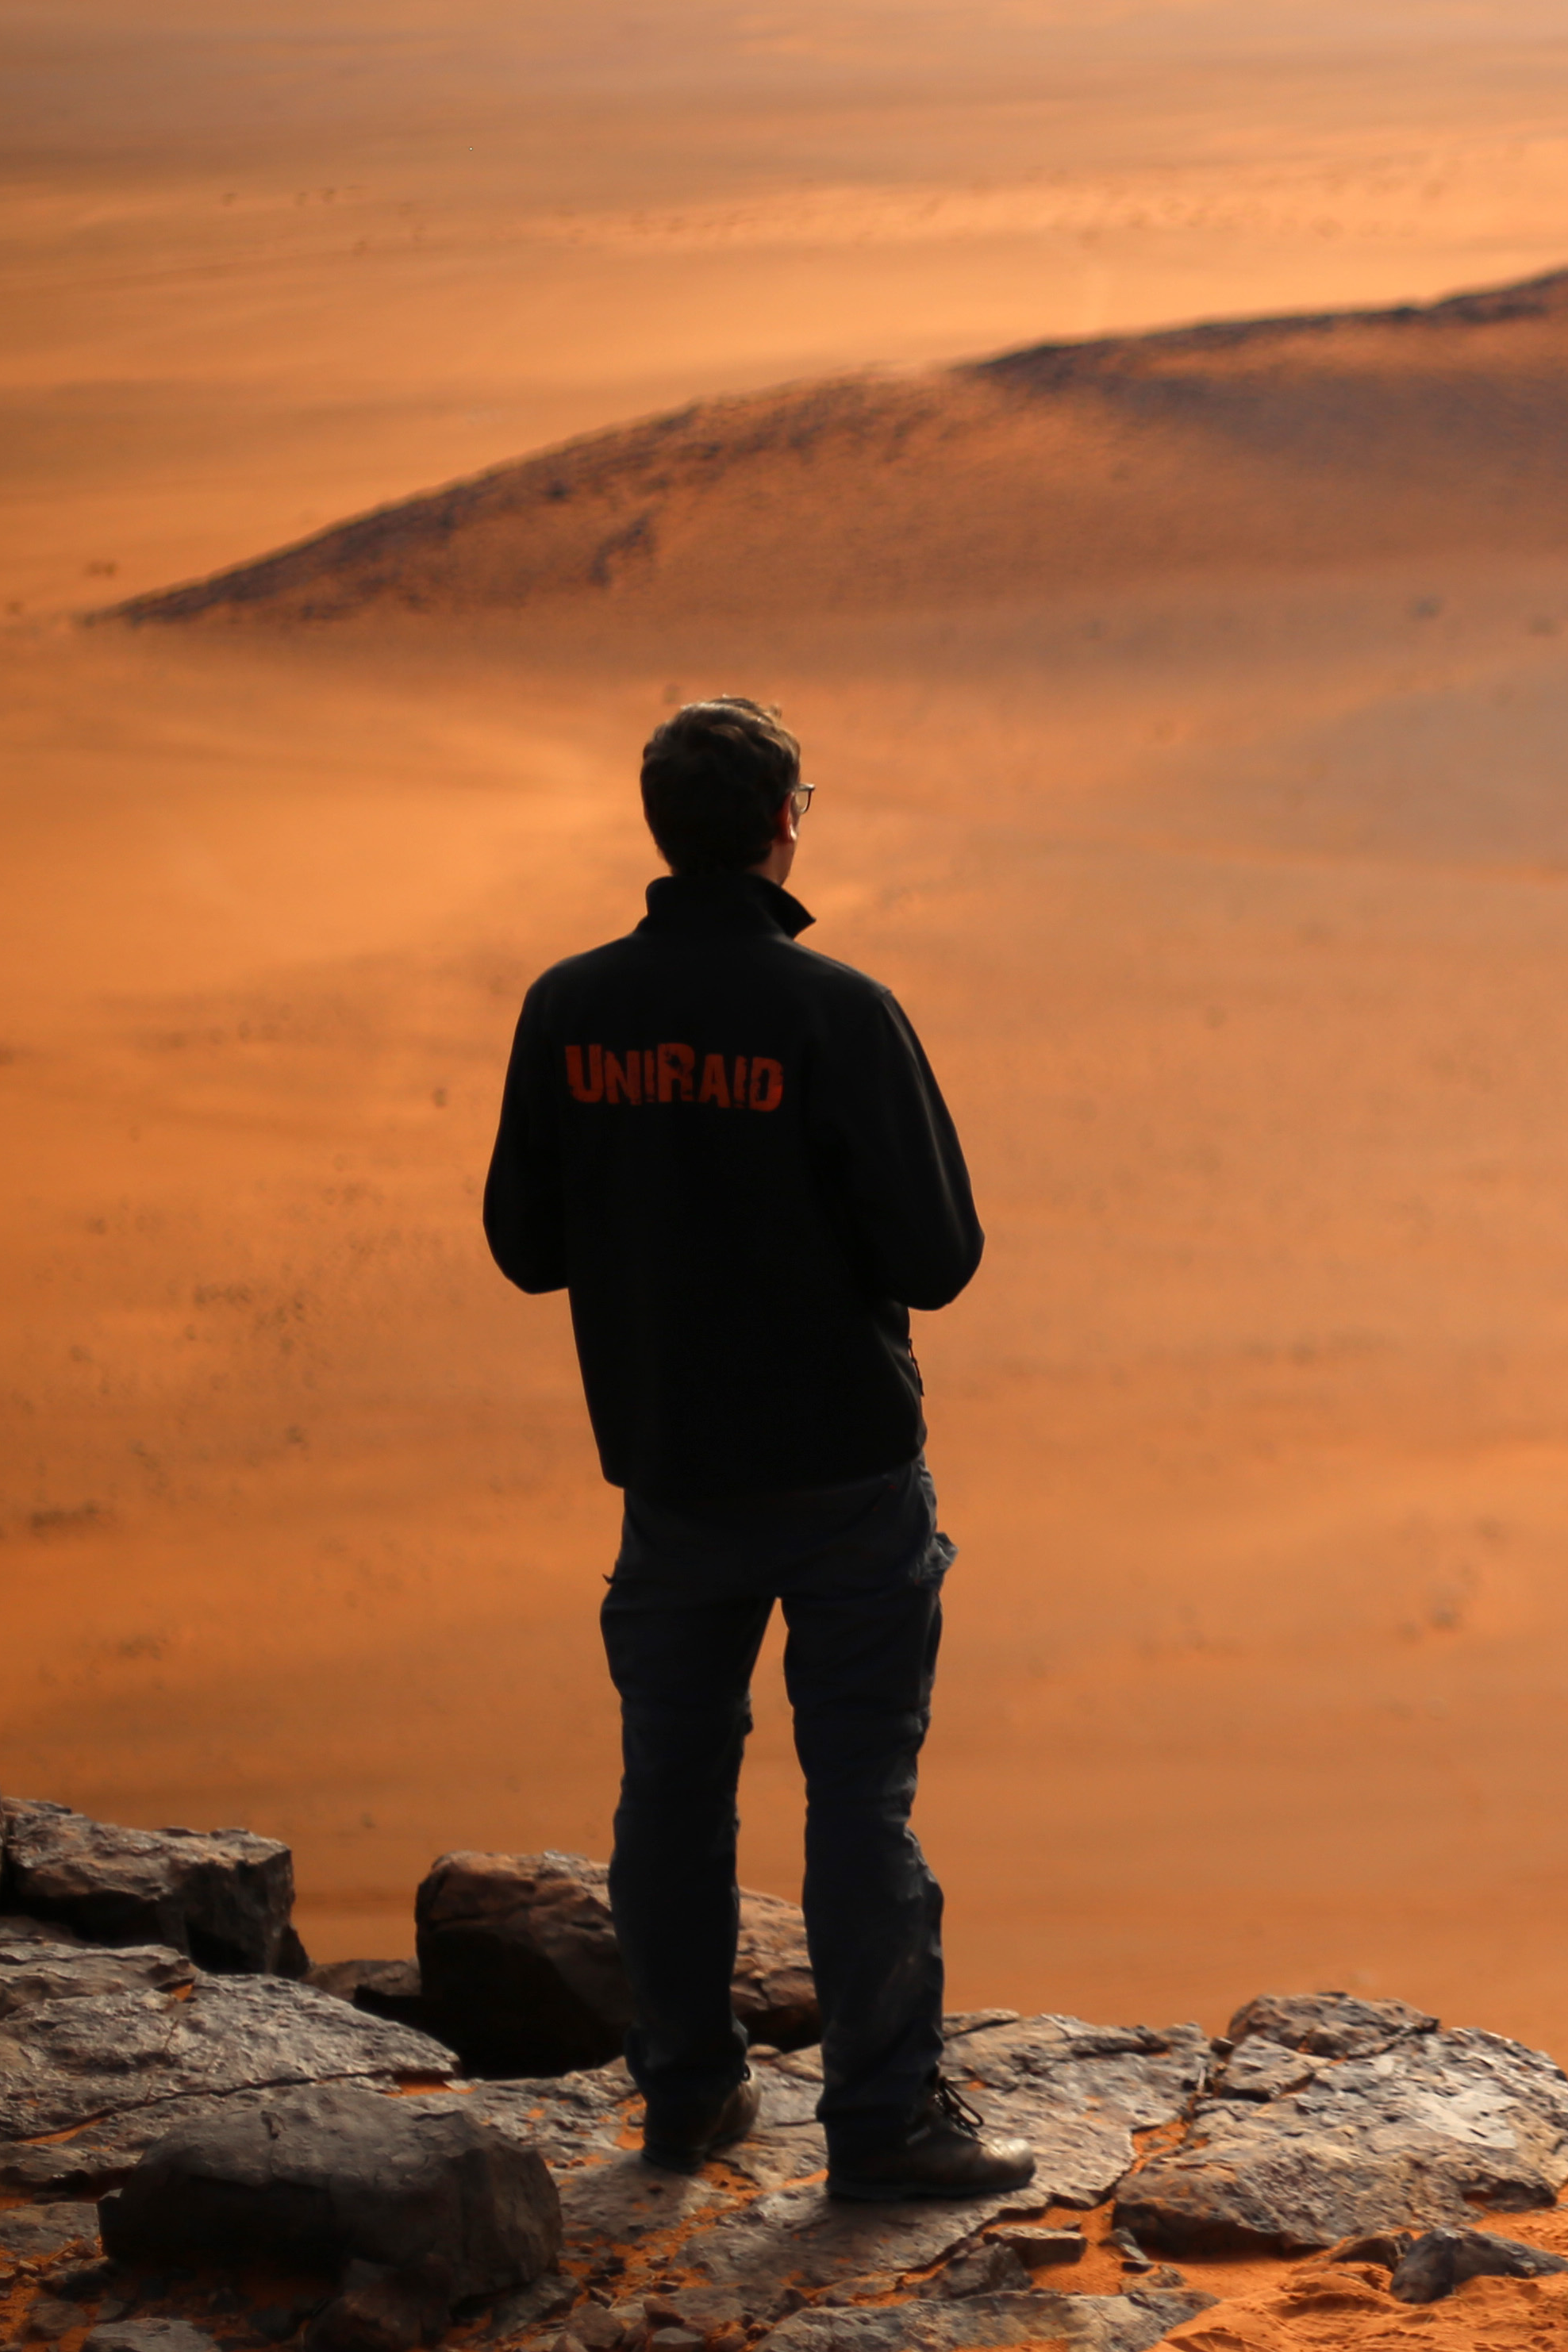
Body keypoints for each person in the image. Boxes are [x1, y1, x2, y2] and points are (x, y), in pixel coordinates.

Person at [482, 698, 1038, 2202]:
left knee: (669, 1785)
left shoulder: (569, 1008)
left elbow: (523, 1247)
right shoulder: (837, 1013)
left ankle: (684, 2097)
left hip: (670, 1466)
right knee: (860, 1799)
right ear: (789, 819)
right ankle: (882, 2126)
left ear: (659, 826)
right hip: (847, 1472)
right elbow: (939, 1256)